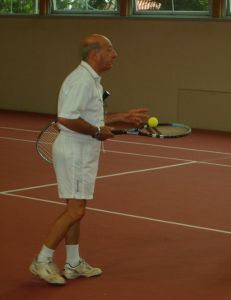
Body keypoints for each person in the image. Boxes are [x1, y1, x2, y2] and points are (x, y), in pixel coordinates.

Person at [29, 34, 149, 285]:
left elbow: (92, 116)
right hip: (75, 151)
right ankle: (42, 260)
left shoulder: (92, 81)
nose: (115, 54)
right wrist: (96, 131)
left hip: (82, 150)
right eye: (110, 49)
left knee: (77, 211)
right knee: (75, 211)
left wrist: (121, 117)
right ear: (95, 54)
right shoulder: (82, 81)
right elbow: (66, 118)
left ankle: (73, 263)